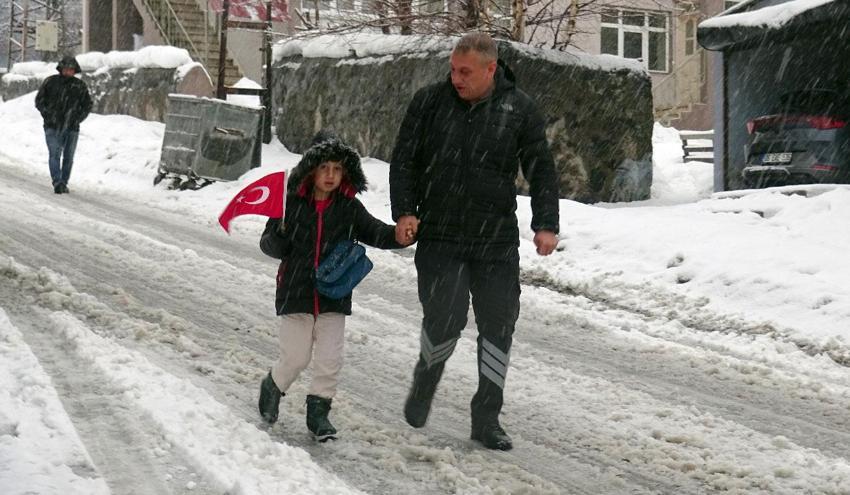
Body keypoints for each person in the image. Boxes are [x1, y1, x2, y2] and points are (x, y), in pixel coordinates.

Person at [389, 33, 560, 451]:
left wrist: (546, 224)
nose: (456, 78)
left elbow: (541, 169)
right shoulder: (429, 103)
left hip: (495, 239)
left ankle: (486, 418)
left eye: (465, 72)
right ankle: (426, 378)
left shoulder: (519, 108)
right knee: (444, 319)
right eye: (452, 69)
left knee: (498, 327)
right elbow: (405, 159)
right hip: (441, 234)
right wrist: (405, 210)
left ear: (490, 69)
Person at [258, 132, 409, 441]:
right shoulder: (290, 204)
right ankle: (272, 386)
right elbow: (268, 245)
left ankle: (318, 415)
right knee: (296, 357)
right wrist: (281, 233)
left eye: (337, 169)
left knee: (329, 359)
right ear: (311, 168)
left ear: (346, 173)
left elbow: (377, 233)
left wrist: (401, 235)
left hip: (333, 295)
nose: (330, 175)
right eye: (324, 167)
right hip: (295, 293)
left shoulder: (349, 208)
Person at [35, 55, 93, 194]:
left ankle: (63, 182)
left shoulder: (79, 86)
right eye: (66, 69)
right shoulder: (50, 82)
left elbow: (87, 105)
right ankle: (57, 181)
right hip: (52, 126)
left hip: (72, 127)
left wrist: (77, 118)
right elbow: (39, 101)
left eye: (71, 69)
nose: (68, 71)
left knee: (68, 157)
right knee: (54, 154)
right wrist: (48, 115)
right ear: (61, 69)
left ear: (75, 70)